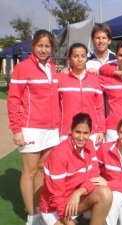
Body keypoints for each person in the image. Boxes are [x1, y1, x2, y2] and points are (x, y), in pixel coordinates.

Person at [7, 29, 60, 225]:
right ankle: (31, 215)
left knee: (41, 171)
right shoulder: (22, 68)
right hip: (31, 128)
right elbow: (13, 99)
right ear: (33, 46)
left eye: (47, 46)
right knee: (29, 172)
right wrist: (16, 129)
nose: (44, 49)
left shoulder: (53, 67)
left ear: (51, 48)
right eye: (40, 45)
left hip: (52, 129)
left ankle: (39, 209)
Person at [39, 113, 112, 225]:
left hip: (74, 200)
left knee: (105, 193)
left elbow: (94, 176)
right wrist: (69, 222)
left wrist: (78, 192)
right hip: (54, 207)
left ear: (90, 132)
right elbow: (57, 198)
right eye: (78, 132)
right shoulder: (59, 155)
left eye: (85, 133)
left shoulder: (90, 145)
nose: (81, 137)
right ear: (71, 130)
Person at [57, 43, 105, 149]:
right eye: (75, 56)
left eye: (83, 56)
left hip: (91, 131)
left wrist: (101, 130)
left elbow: (100, 108)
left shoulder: (95, 79)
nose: (80, 59)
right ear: (70, 58)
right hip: (67, 131)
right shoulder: (60, 79)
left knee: (91, 164)